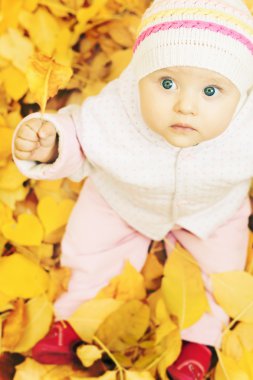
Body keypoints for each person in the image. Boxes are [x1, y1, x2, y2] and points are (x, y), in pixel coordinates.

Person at [12, 0, 253, 378]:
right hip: (121, 199)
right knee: (88, 243)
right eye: (167, 83)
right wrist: (53, 143)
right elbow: (82, 135)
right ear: (140, 75)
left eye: (211, 91)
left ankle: (200, 335)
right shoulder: (120, 108)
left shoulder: (247, 127)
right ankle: (78, 312)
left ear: (241, 94)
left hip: (211, 211)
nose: (185, 105)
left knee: (222, 265)